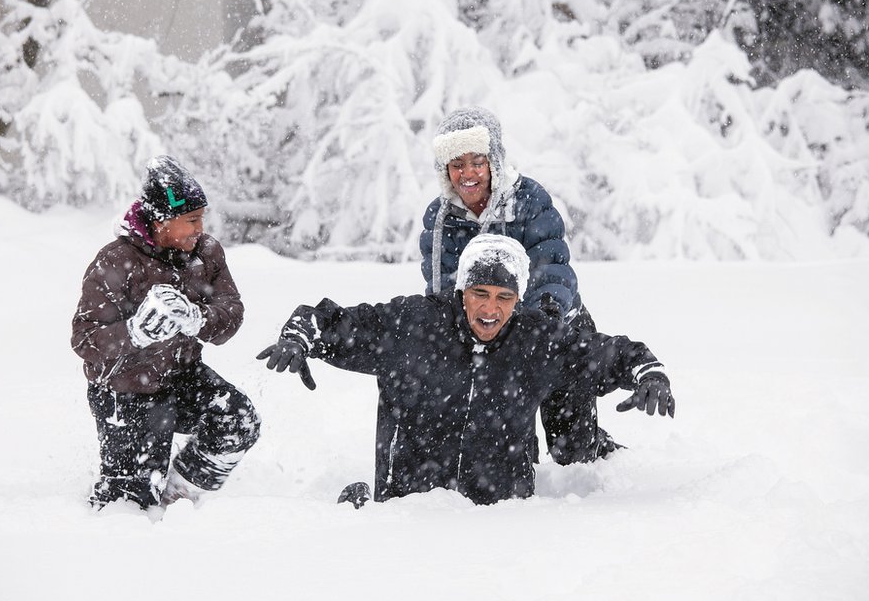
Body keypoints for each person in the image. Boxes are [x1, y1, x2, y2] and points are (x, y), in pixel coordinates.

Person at [258, 234, 674, 506]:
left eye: (504, 297)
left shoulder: (536, 341)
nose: (491, 310)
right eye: (480, 294)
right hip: (407, 513)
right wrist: (299, 337)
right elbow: (333, 322)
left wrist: (648, 373)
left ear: (518, 300)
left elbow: (611, 353)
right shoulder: (414, 324)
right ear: (462, 291)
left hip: (500, 522)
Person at [420, 106, 610, 466]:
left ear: (493, 160)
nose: (468, 174)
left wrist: (543, 320)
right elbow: (443, 286)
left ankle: (599, 449)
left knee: (573, 451)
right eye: (457, 165)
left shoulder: (529, 200)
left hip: (554, 327)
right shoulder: (439, 218)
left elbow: (551, 265)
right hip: (490, 338)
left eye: (476, 161)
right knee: (509, 452)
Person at [71, 155, 260, 510]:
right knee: (129, 506)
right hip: (124, 392)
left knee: (238, 421)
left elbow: (231, 313)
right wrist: (134, 333)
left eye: (201, 217)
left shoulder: (207, 253)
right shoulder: (115, 262)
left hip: (181, 375)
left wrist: (197, 319)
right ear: (160, 220)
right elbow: (84, 339)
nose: (199, 228)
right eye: (190, 219)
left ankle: (179, 492)